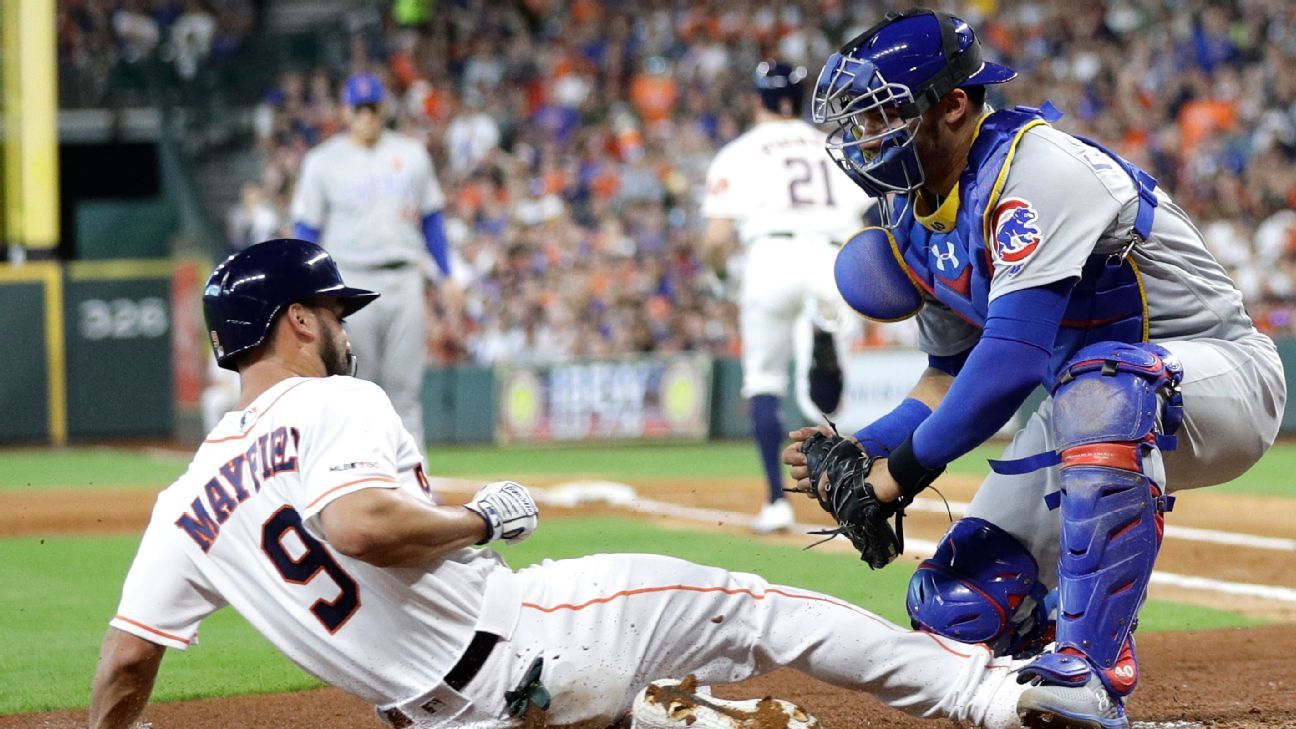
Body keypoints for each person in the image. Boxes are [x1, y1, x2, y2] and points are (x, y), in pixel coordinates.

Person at [88, 238, 1112, 729]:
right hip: (528, 637)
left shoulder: (183, 502)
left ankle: (703, 720)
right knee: (757, 608)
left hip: (442, 718)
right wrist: (472, 518)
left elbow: (126, 669)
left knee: (634, 706)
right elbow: (357, 523)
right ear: (297, 323)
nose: (344, 324)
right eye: (331, 308)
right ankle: (991, 698)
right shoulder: (334, 404)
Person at [786, 9, 1285, 729]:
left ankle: (1090, 668)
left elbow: (1012, 359)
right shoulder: (910, 210)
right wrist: (868, 446)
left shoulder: (1035, 169)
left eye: (885, 115)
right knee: (959, 608)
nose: (867, 139)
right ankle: (1047, 645)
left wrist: (897, 476)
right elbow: (948, 373)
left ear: (952, 105)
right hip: (1089, 399)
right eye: (861, 123)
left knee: (1102, 384)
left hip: (1219, 378)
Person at [701, 60, 875, 534]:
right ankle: (823, 347)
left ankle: (776, 501)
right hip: (831, 257)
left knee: (763, 382)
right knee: (828, 403)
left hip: (771, 258)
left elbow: (717, 238)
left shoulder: (740, 152)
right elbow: (865, 220)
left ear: (757, 98)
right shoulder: (830, 145)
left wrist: (721, 277)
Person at [290, 72, 450, 446]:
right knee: (354, 387)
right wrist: (306, 285)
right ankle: (359, 482)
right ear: (347, 111)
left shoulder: (411, 154)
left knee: (405, 389)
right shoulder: (323, 161)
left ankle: (413, 484)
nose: (366, 116)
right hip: (350, 282)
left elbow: (433, 218)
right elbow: (307, 228)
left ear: (384, 108)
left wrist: (448, 275)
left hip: (404, 277)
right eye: (359, 109)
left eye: (372, 108)